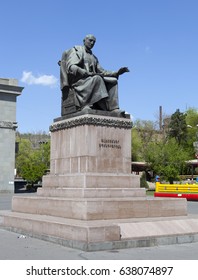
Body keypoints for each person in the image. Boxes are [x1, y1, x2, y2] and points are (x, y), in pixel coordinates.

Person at [59, 34, 129, 115]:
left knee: (113, 81)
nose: (92, 43)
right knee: (97, 78)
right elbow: (71, 66)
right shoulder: (76, 51)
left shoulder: (93, 57)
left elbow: (102, 71)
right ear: (84, 40)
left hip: (90, 79)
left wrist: (117, 72)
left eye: (94, 42)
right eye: (90, 40)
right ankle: (85, 105)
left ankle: (113, 108)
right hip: (78, 81)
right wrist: (82, 71)